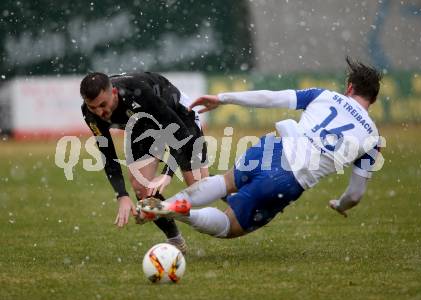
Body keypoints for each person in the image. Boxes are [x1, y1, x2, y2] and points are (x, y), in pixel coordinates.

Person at [139, 57, 383, 239]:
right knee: (228, 226)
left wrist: (223, 98)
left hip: (271, 149)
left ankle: (170, 204)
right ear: (372, 99)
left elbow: (271, 98)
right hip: (287, 180)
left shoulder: (325, 96)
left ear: (349, 87)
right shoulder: (372, 139)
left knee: (225, 182)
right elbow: (355, 194)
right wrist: (340, 205)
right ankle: (182, 212)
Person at [80, 72, 209, 251]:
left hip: (178, 115)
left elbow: (180, 135)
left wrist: (167, 174)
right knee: (142, 189)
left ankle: (229, 187)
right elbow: (108, 155)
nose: (100, 112)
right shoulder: (90, 113)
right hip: (142, 124)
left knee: (200, 190)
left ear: (114, 92)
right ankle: (175, 241)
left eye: (103, 104)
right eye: (93, 107)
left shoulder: (137, 91)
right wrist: (122, 195)